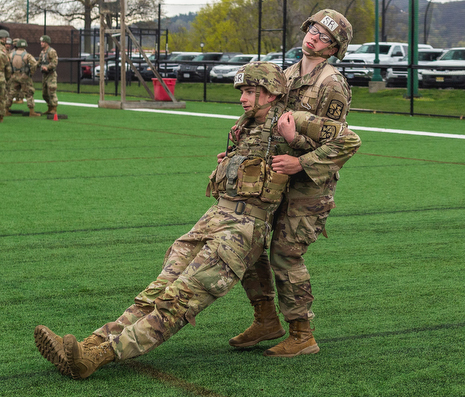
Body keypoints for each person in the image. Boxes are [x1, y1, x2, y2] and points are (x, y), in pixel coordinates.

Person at [33, 61, 361, 379]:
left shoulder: (293, 119)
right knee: (158, 290)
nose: (243, 97)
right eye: (242, 91)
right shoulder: (244, 124)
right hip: (215, 216)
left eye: (250, 91)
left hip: (243, 229)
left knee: (182, 298)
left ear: (272, 92)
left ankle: (95, 358)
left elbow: (349, 140)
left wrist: (300, 160)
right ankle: (92, 340)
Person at [230, 9, 354, 357]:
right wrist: (242, 135)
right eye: (313, 30)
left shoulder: (332, 84)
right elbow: (269, 119)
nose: (313, 37)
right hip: (276, 179)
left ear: (333, 49)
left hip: (310, 186)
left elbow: (338, 144)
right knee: (249, 244)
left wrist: (299, 158)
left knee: (285, 254)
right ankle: (266, 319)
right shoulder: (286, 74)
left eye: (323, 37)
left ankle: (302, 335)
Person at [7, 39, 40, 116]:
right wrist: (31, 73)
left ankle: (5, 110)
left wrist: (11, 73)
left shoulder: (11, 54)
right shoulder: (27, 55)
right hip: (24, 76)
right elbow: (34, 64)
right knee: (29, 93)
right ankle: (32, 112)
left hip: (14, 76)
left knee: (11, 93)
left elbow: (7, 64)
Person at [38, 35, 59, 115]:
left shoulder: (51, 51)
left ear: (47, 43)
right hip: (45, 75)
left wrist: (47, 67)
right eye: (41, 42)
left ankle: (54, 108)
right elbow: (39, 62)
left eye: (43, 42)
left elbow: (55, 62)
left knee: (51, 91)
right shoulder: (42, 52)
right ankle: (49, 107)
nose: (41, 43)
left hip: (51, 74)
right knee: (44, 93)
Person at [0, 30, 11, 122]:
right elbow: (8, 68)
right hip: (1, 76)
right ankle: (1, 117)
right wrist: (7, 78)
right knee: (2, 97)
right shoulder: (4, 51)